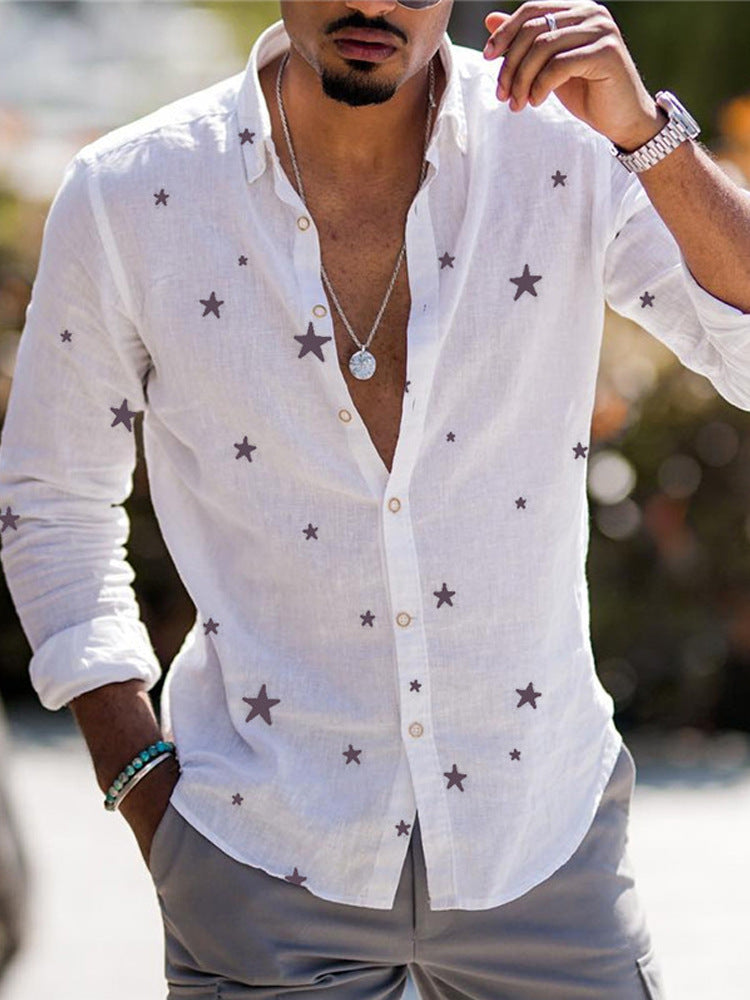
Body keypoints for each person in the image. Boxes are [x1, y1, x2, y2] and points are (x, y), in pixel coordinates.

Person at [1, 1, 749, 997]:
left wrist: (646, 137)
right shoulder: (131, 193)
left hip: (543, 843)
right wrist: (143, 790)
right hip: (263, 857)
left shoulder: (563, 153)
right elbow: (52, 500)